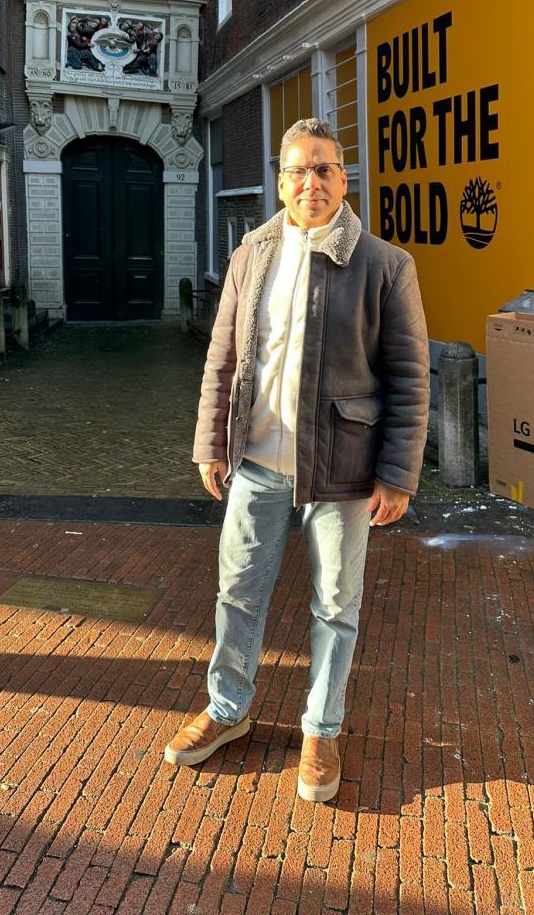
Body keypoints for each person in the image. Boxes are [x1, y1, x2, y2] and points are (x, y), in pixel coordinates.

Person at [164, 117, 429, 802]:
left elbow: (409, 378)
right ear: (280, 183)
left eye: (324, 169)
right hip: (256, 461)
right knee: (237, 593)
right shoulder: (252, 254)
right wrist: (210, 442)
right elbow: (222, 356)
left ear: (343, 180)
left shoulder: (385, 265)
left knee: (336, 605)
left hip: (345, 470)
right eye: (298, 170)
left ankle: (321, 729)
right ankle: (227, 710)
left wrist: (397, 474)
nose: (311, 181)